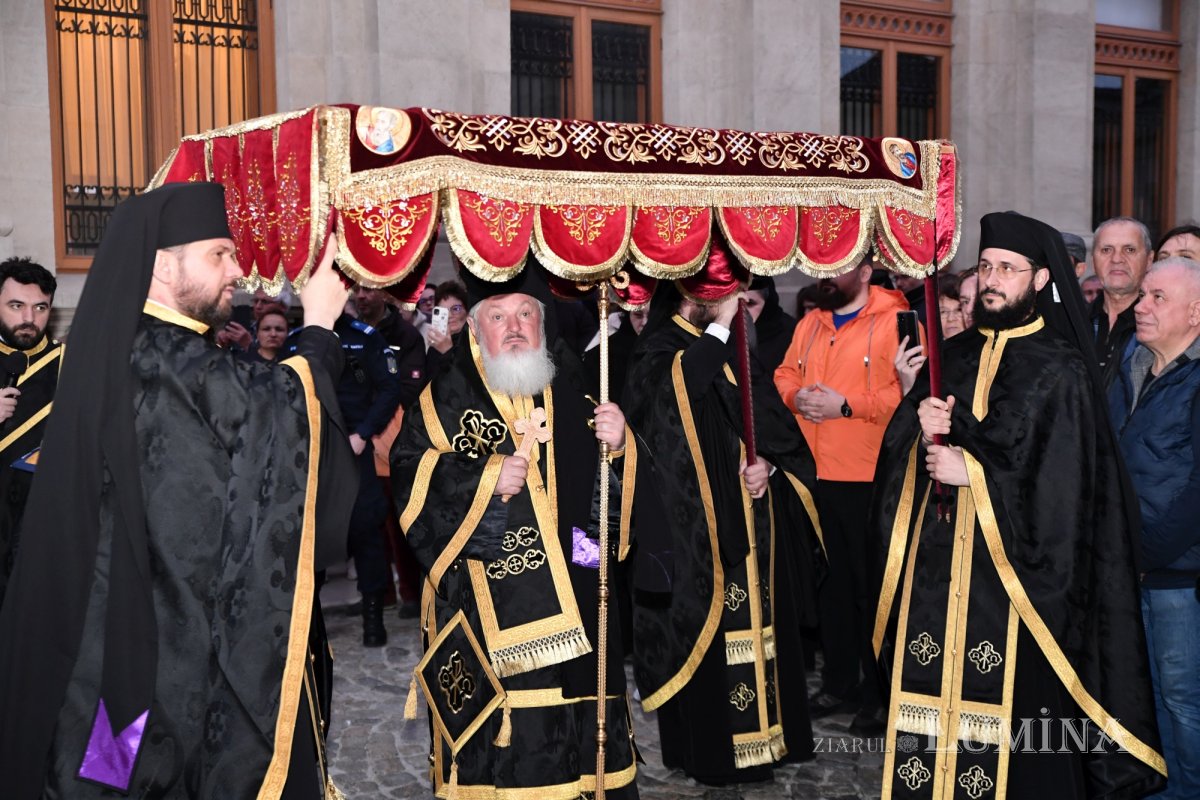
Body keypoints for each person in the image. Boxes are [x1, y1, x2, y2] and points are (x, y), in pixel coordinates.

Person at [0, 182, 357, 798]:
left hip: (119, 639)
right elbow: (279, 416)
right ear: (164, 265)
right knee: (126, 771)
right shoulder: (162, 355)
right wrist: (320, 326)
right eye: (219, 254)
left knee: (107, 769)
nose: (238, 270)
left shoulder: (133, 346)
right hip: (151, 648)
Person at [871, 211, 1165, 798]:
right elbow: (897, 466)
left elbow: (1064, 494)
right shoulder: (949, 357)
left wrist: (973, 473)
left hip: (1017, 598)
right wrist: (918, 434)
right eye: (985, 267)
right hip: (937, 584)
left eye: (1009, 268)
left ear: (1038, 281)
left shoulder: (1061, 370)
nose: (993, 279)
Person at [390, 267, 642, 798]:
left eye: (526, 314)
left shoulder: (575, 389)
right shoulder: (443, 401)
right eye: (498, 316)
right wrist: (481, 479)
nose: (514, 328)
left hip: (579, 583)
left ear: (543, 324)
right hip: (488, 603)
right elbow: (410, 475)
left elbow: (605, 504)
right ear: (474, 328)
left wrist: (620, 448)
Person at [627, 240, 822, 785]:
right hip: (698, 535)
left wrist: (772, 471)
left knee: (763, 634)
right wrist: (720, 330)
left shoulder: (735, 348)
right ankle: (711, 752)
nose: (738, 301)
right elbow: (676, 398)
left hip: (755, 524)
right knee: (709, 638)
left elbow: (771, 429)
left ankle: (769, 742)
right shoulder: (661, 349)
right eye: (728, 294)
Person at [773, 258, 911, 734]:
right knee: (829, 586)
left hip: (869, 475)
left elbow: (907, 396)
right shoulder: (811, 322)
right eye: (821, 264)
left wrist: (846, 406)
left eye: (838, 265)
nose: (824, 275)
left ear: (868, 272)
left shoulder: (898, 319)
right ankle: (838, 682)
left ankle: (879, 693)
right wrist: (799, 400)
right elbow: (785, 374)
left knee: (869, 590)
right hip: (817, 473)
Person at [1109, 257, 1200, 800]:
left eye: (1157, 297)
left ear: (1196, 312)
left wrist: (1146, 552)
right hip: (1130, 566)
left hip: (1177, 578)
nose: (1140, 306)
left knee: (1184, 698)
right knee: (1145, 694)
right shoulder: (1133, 362)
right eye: (1143, 295)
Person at [288, 300, 405, 647]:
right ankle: (311, 624)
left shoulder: (364, 338)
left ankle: (373, 619)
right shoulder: (298, 341)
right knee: (313, 534)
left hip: (354, 448)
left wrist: (365, 432)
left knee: (365, 530)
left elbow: (388, 388)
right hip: (312, 454)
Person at [0, 257, 61, 608]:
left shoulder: (70, 363)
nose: (28, 319)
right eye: (16, 306)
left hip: (43, 519)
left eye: (40, 308)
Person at [1092, 216, 1154, 386]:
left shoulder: (1161, 325)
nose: (1117, 259)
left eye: (1129, 250)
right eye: (1106, 250)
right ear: (1093, 260)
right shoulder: (1073, 323)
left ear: (1149, 260)